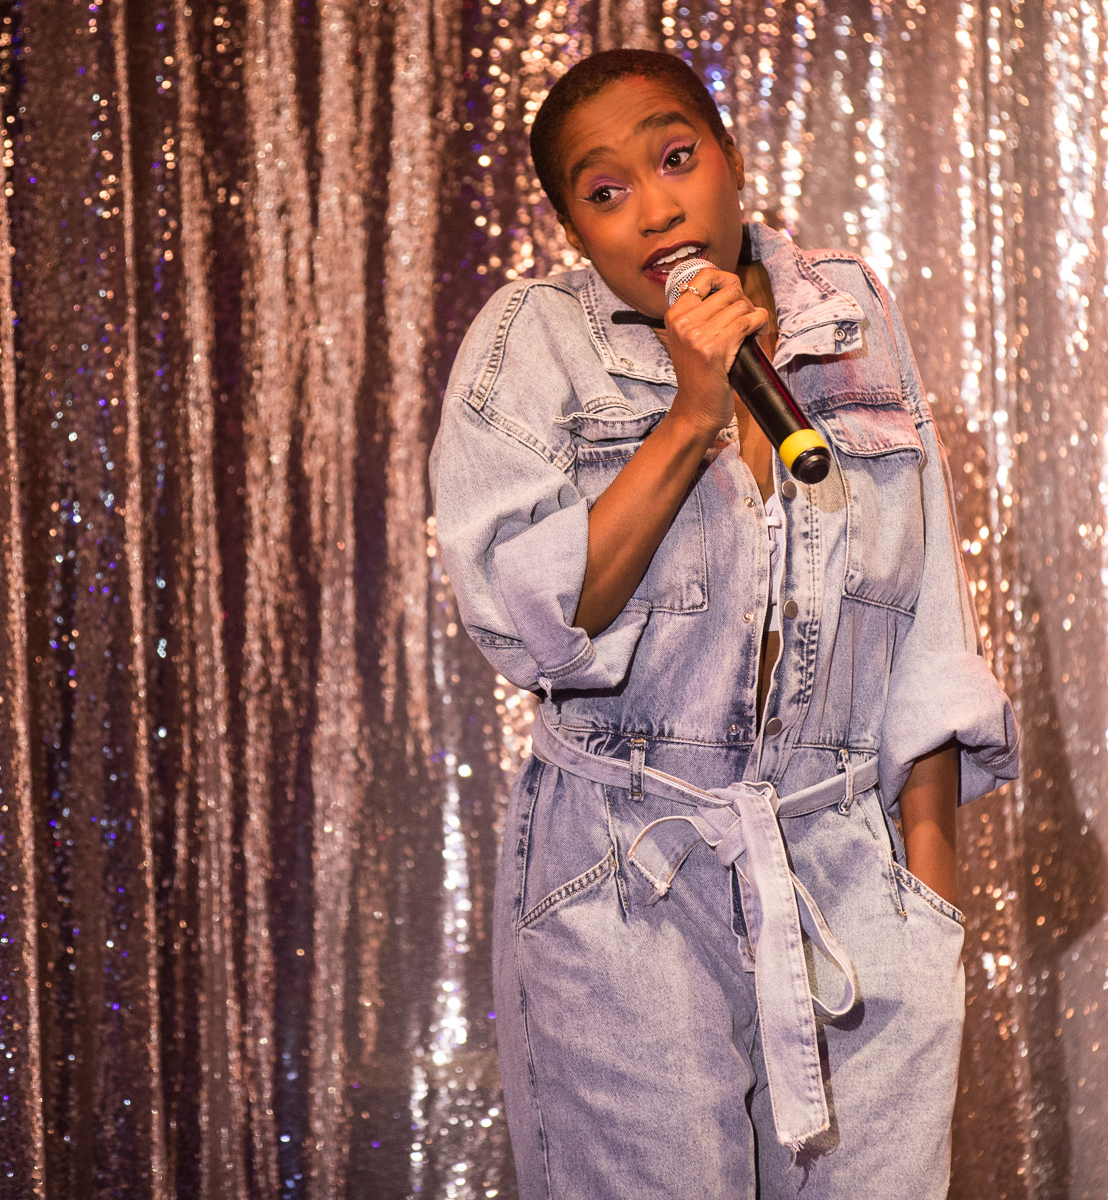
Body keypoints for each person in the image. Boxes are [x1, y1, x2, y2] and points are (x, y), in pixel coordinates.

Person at [429, 48, 1018, 1200]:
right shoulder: (531, 344)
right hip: (627, 888)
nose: (653, 207)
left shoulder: (846, 319)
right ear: (574, 230)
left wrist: (928, 904)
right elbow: (525, 621)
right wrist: (693, 414)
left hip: (848, 879)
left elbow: (926, 630)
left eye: (675, 157)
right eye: (605, 192)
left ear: (732, 158)